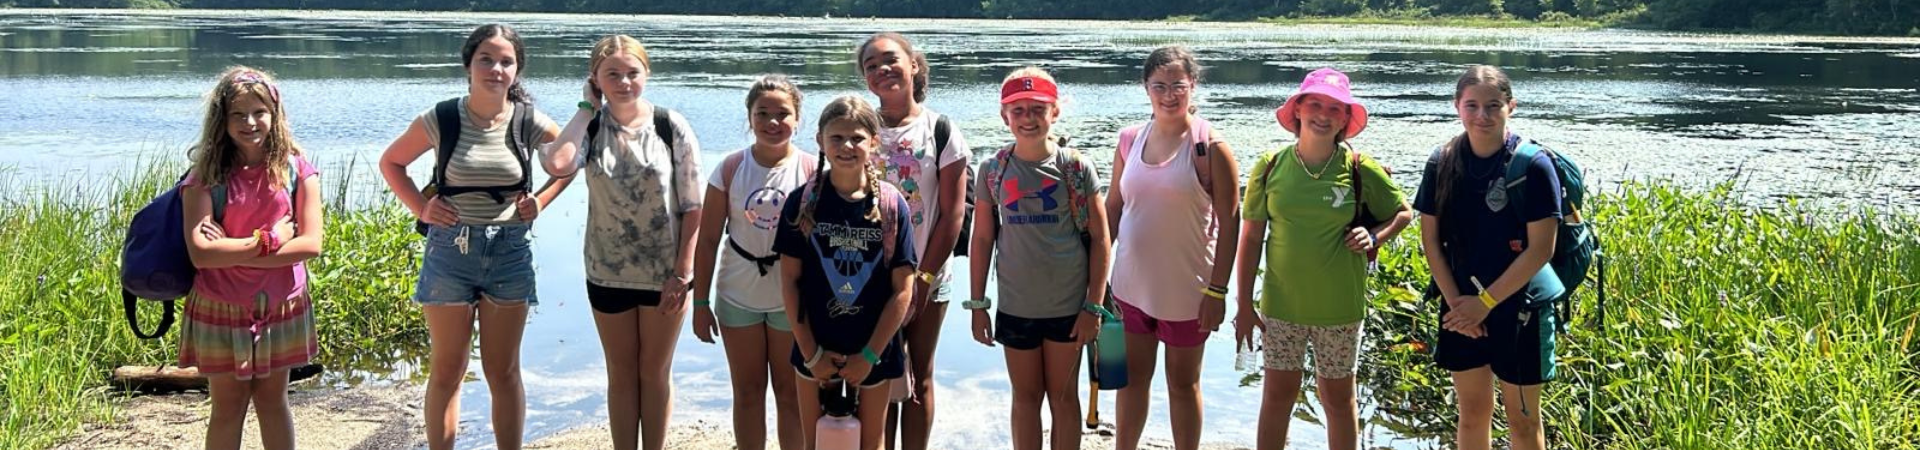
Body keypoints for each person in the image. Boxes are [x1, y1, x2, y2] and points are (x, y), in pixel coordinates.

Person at [375, 23, 565, 450]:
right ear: (468, 65)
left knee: (503, 371)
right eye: (486, 59)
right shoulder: (442, 117)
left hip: (509, 252)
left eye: (505, 62)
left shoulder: (528, 120)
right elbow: (391, 163)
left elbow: (570, 160)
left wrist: (543, 200)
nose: (495, 69)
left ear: (516, 71)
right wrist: (421, 207)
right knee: (446, 370)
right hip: (449, 251)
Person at [1233, 67, 1414, 450]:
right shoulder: (1270, 165)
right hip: (1281, 306)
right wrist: (1243, 304)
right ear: (1297, 109)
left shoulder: (1359, 167)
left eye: (1335, 108)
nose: (1323, 114)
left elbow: (1403, 212)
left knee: (1338, 400)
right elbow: (1250, 239)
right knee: (1277, 398)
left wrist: (1375, 235)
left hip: (1340, 309)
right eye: (1314, 103)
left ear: (1346, 119)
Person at [559, 34, 706, 450]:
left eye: (631, 73)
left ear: (647, 74)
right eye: (612, 74)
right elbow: (557, 162)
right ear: (595, 79)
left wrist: (684, 272)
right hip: (606, 272)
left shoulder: (669, 124)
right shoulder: (590, 128)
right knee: (620, 374)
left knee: (654, 373)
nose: (623, 82)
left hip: (665, 276)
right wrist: (587, 108)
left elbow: (694, 206)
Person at [1414, 64, 1565, 450]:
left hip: (1519, 310)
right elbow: (1431, 241)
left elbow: (1541, 249)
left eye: (1493, 105)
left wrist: (1483, 304)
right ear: (1457, 107)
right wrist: (1458, 309)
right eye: (1472, 105)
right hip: (1460, 306)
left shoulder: (1533, 166)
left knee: (1523, 422)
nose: (1482, 115)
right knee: (1472, 414)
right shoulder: (1441, 162)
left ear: (1510, 107)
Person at [966, 67, 1111, 450]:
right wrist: (978, 303)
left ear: (1054, 113)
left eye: (1038, 109)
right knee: (1025, 398)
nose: (1028, 118)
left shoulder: (1076, 168)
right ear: (1004, 116)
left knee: (1063, 398)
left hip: (1069, 305)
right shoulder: (992, 169)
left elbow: (1100, 239)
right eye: (1018, 110)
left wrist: (1093, 307)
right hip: (1016, 305)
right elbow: (981, 239)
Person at [179, 66, 323, 450]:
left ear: (274, 115)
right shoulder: (205, 174)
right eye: (237, 114)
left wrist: (234, 251)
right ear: (221, 120)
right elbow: (201, 253)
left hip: (281, 305)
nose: (249, 122)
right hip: (221, 306)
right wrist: (270, 241)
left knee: (272, 402)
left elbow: (310, 244)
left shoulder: (297, 169)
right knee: (227, 407)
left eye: (259, 112)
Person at [1105, 45, 1241, 450]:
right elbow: (1113, 207)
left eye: (1178, 86)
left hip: (1188, 292)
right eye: (1159, 86)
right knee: (1131, 380)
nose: (1169, 95)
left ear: (1193, 86)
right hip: (1130, 288)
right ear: (1145, 88)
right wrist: (1095, 277)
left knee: (1183, 385)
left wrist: (1218, 292)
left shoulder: (1210, 147)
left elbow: (1232, 224)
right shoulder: (1129, 139)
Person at [775, 95, 916, 450]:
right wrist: (811, 353)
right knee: (816, 443)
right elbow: (789, 281)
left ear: (873, 141)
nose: (847, 146)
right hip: (815, 344)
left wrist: (869, 354)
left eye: (856, 137)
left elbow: (903, 289)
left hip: (874, 347)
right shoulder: (802, 201)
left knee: (871, 442)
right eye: (836, 138)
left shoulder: (890, 204)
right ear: (820, 140)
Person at [855, 32, 968, 450]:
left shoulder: (941, 130)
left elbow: (953, 215)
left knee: (919, 375)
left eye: (890, 60)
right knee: (875, 376)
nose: (882, 70)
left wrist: (921, 279)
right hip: (867, 278)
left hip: (928, 275)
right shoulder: (858, 128)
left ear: (913, 65)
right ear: (866, 79)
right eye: (871, 65)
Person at [690, 74, 815, 450]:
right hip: (736, 295)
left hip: (789, 300)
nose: (773, 122)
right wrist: (699, 303)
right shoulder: (729, 168)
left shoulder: (812, 171)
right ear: (749, 117)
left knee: (789, 393)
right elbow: (708, 239)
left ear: (798, 119)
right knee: (746, 392)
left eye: (783, 113)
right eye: (763, 113)